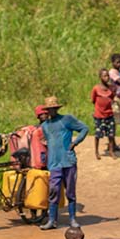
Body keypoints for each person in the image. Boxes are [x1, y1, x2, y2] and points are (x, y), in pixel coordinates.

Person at [39, 96, 89, 230]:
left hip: (68, 161)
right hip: (54, 163)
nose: (51, 111)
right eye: (49, 109)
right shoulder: (45, 126)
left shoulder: (66, 119)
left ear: (57, 109)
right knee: (53, 191)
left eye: (53, 109)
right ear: (46, 111)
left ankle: (72, 219)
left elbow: (84, 128)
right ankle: (52, 221)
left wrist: (74, 143)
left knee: (70, 192)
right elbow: (48, 141)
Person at [90, 69, 117, 160]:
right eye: (104, 76)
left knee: (111, 134)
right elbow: (93, 100)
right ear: (100, 77)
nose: (107, 77)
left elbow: (112, 98)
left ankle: (111, 151)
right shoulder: (96, 88)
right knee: (98, 135)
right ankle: (96, 152)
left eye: (108, 75)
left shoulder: (111, 88)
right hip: (99, 116)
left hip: (109, 115)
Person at [31, 105, 49, 170]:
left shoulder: (52, 126)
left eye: (45, 114)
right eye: (41, 114)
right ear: (38, 116)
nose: (43, 115)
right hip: (40, 153)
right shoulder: (36, 128)